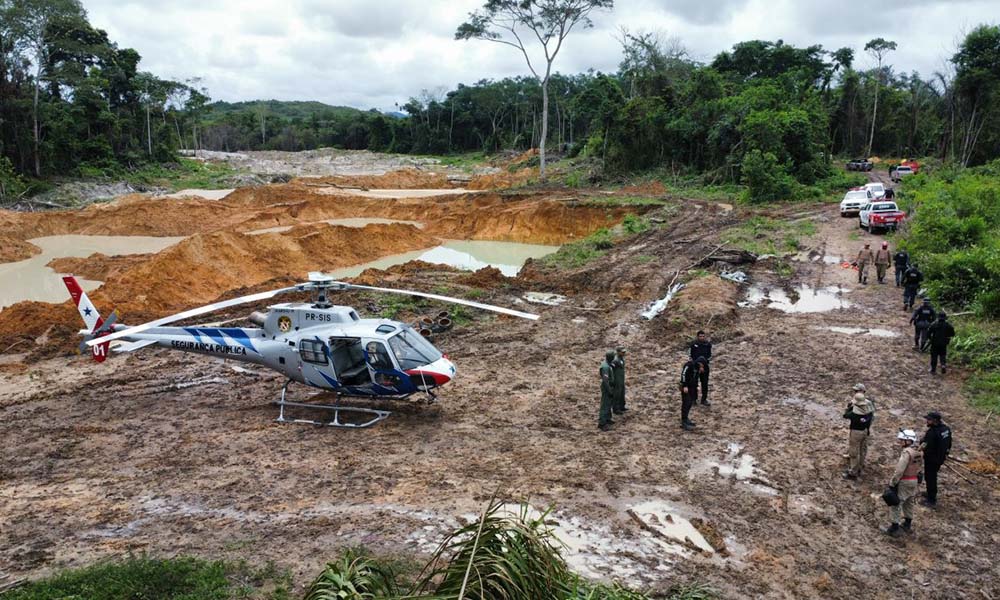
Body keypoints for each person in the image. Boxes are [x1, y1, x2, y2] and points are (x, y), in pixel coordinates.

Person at [885, 429, 922, 536]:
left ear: (908, 441)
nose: (900, 442)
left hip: (904, 481)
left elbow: (899, 471)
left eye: (902, 440)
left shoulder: (907, 453)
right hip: (914, 480)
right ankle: (907, 524)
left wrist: (892, 483)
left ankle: (894, 528)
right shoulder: (919, 452)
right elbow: (919, 468)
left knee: (896, 503)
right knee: (909, 502)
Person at [921, 411, 952, 507]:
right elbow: (949, 442)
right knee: (932, 476)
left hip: (932, 460)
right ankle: (930, 493)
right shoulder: (946, 429)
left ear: (935, 421)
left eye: (929, 419)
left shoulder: (932, 433)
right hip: (940, 458)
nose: (927, 421)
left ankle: (931, 499)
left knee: (930, 478)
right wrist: (946, 453)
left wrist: (921, 444)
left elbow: (925, 446)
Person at [843, 392, 875, 479]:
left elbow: (845, 415)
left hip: (856, 432)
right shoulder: (869, 410)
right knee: (862, 450)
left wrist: (849, 407)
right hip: (865, 431)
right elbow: (871, 417)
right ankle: (860, 466)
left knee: (854, 452)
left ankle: (853, 472)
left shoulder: (854, 414)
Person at [679, 357, 704, 431]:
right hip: (686, 387)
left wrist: (696, 386)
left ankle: (686, 418)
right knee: (686, 403)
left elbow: (696, 378)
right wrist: (684, 385)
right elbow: (683, 375)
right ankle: (684, 421)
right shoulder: (689, 365)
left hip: (692, 387)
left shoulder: (697, 368)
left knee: (690, 403)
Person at [689, 331, 712, 406]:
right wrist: (698, 364)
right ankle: (693, 399)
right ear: (697, 337)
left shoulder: (708, 344)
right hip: (695, 366)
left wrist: (703, 364)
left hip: (705, 366)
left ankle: (704, 399)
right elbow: (691, 356)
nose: (702, 338)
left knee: (705, 383)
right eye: (700, 336)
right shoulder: (693, 344)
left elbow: (709, 355)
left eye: (703, 336)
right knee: (694, 383)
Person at [598, 350, 616, 431]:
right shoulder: (605, 367)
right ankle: (602, 423)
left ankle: (608, 418)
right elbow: (605, 381)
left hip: (610, 386)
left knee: (609, 403)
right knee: (605, 405)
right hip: (607, 388)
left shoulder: (608, 364)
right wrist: (609, 391)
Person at [612, 346, 627, 415]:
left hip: (621, 379)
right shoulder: (615, 360)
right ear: (618, 352)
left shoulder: (621, 359)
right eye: (622, 352)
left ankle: (622, 406)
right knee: (617, 394)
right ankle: (616, 408)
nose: (624, 353)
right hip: (617, 379)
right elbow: (611, 369)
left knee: (622, 393)